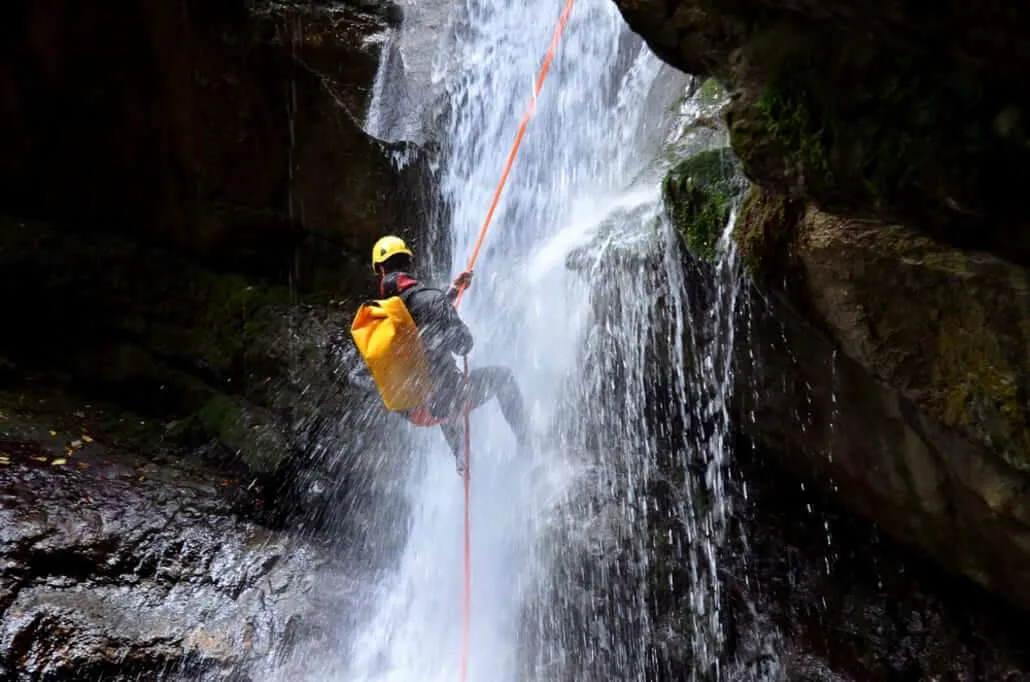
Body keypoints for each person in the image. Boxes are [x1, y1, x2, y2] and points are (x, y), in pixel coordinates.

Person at [368, 235, 533, 471]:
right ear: (408, 263)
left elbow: (417, 317)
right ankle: (528, 444)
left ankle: (460, 455)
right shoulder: (431, 300)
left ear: (381, 270)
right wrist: (447, 319)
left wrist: (453, 292)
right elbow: (464, 345)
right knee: (501, 378)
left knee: (435, 379)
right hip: (442, 403)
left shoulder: (382, 312)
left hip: (410, 408)